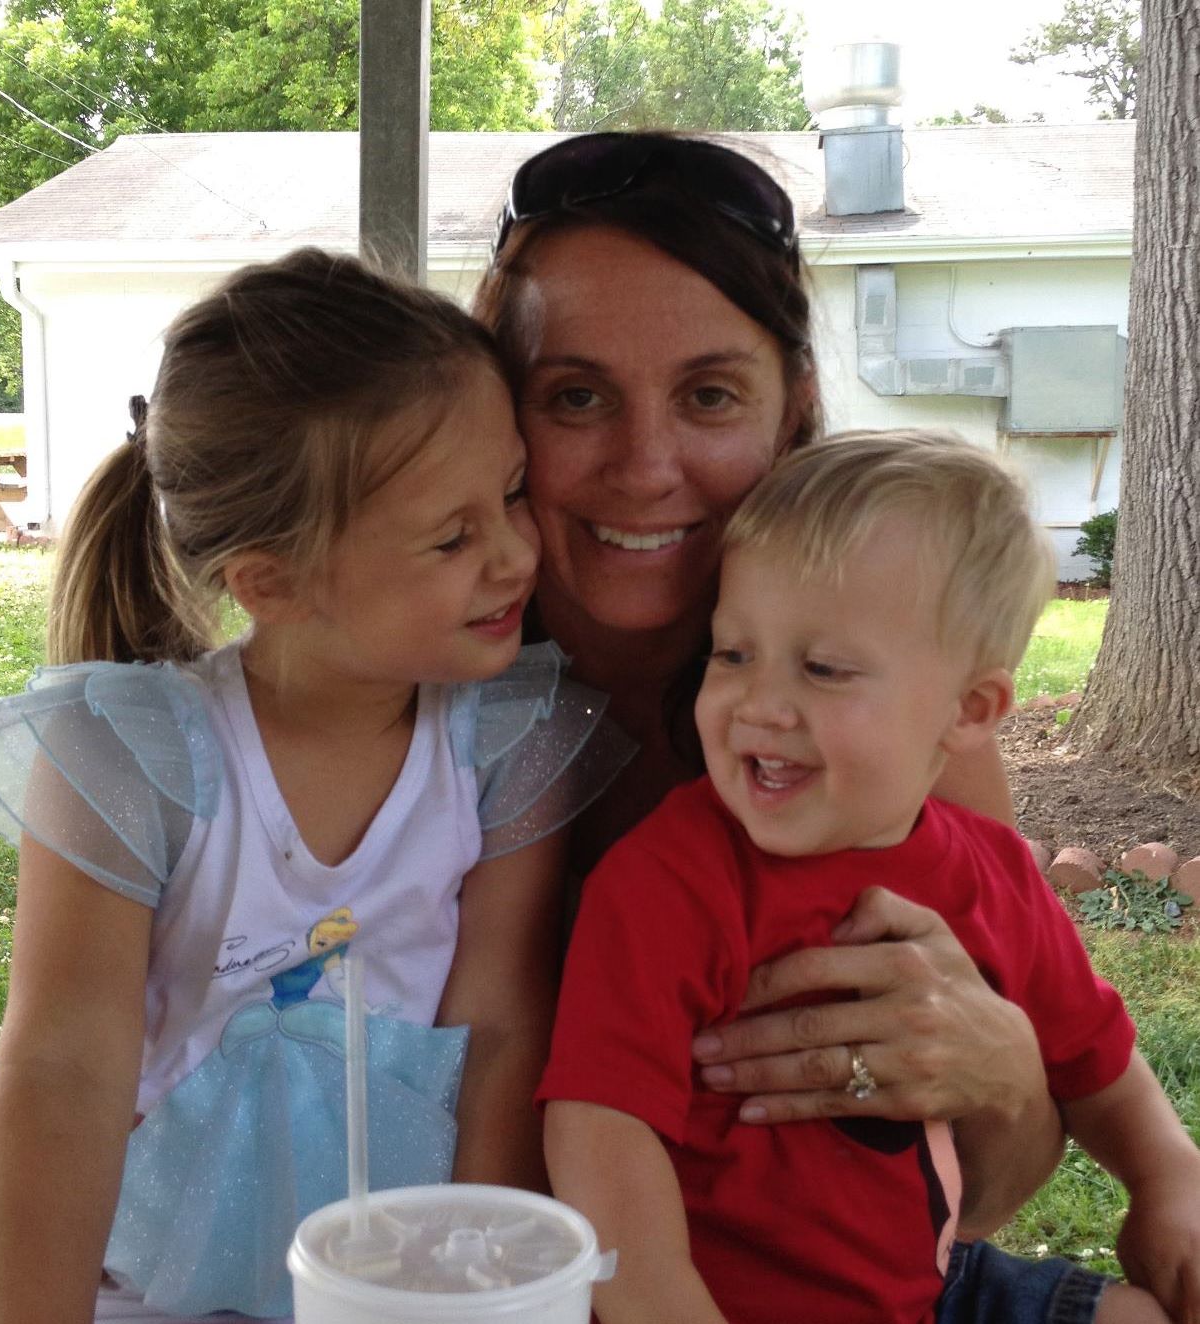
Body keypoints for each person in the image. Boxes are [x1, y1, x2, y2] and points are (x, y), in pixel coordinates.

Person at [475, 132, 1200, 1316]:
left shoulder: (918, 745)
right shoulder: (423, 711)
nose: (645, 466)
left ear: (793, 407)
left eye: (709, 394)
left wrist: (1007, 1075)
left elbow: (983, 1190)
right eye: (576, 396)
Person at [0, 249, 629, 1324]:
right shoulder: (132, 759)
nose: (514, 555)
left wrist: (466, 1293)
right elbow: (62, 1070)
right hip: (153, 1290)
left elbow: (500, 1030)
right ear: (272, 580)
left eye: (508, 496)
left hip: (408, 1283)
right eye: (453, 537)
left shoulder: (503, 743)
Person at [538, 430, 1200, 1324]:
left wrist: (1168, 1178)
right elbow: (599, 1133)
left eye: (822, 668)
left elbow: (1098, 1063)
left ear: (970, 710)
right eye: (731, 654)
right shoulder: (668, 880)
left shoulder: (994, 873)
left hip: (932, 1287)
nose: (759, 702)